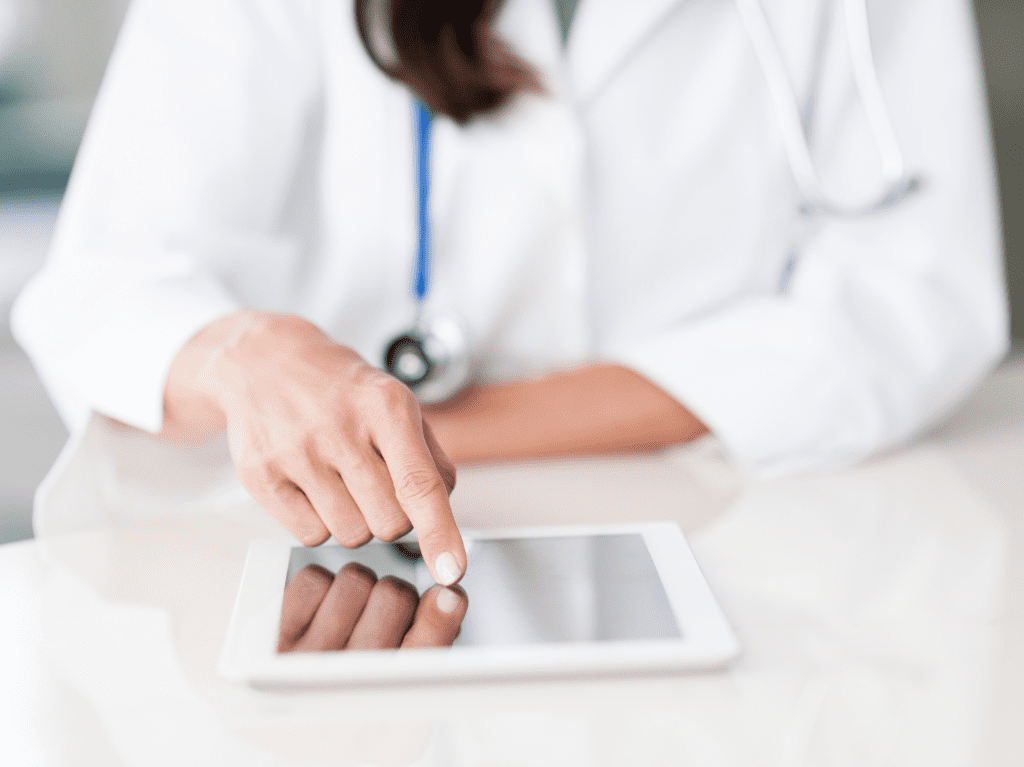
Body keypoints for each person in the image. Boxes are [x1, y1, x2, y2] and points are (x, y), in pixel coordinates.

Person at [12, 0, 1006, 585]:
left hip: (768, 525)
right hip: (351, 559)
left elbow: (914, 296)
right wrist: (242, 358)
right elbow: (106, 280)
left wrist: (404, 437)